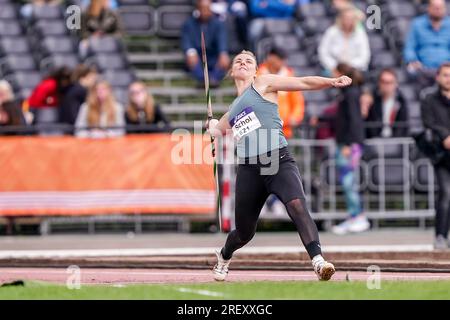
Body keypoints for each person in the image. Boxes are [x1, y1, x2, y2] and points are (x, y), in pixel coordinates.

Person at [207, 50, 353, 281]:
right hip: (249, 169)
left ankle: (318, 261)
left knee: (296, 204)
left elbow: (303, 82)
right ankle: (224, 256)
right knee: (245, 232)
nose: (243, 63)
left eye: (249, 61)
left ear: (256, 70)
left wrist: (331, 82)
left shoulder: (263, 83)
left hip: (277, 158)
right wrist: (212, 125)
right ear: (231, 71)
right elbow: (217, 129)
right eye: (238, 61)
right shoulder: (232, 111)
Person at [331, 63, 370, 235]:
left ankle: (358, 216)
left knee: (349, 181)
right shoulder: (347, 93)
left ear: (341, 74)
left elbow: (354, 120)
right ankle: (354, 215)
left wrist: (349, 144)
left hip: (350, 144)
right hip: (347, 142)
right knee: (348, 181)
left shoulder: (351, 93)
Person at [420, 62, 450, 249]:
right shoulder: (429, 99)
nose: (448, 79)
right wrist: (445, 136)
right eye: (445, 75)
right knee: (446, 193)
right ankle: (440, 236)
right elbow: (428, 122)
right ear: (438, 77)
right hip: (441, 155)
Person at [258, 47, 305, 139]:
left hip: (283, 130)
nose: (282, 62)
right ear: (270, 57)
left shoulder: (288, 76)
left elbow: (297, 101)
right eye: (280, 59)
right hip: (261, 128)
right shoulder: (258, 75)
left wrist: (295, 116)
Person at [181, 0, 230, 87]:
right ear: (198, 9)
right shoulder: (189, 24)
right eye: (203, 9)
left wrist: (223, 52)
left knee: (224, 58)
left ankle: (213, 79)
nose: (205, 11)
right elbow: (186, 41)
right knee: (191, 56)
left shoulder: (218, 23)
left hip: (213, 56)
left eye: (207, 8)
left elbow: (222, 40)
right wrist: (190, 51)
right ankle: (203, 79)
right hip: (198, 55)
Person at [404, 0, 450, 89]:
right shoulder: (417, 24)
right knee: (412, 70)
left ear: (445, 9)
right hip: (423, 68)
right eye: (435, 8)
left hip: (447, 69)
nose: (438, 10)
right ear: (428, 8)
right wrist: (413, 60)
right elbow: (410, 47)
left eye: (440, 8)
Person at [318, 7, 371, 76]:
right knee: (326, 75)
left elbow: (364, 56)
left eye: (351, 18)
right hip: (334, 68)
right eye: (346, 18)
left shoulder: (360, 34)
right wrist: (334, 67)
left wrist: (349, 67)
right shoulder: (331, 32)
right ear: (341, 19)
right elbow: (323, 52)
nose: (348, 21)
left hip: (354, 69)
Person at [365, 68, 409, 139]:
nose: (386, 86)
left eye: (390, 82)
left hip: (396, 142)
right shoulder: (372, 101)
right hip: (375, 142)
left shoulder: (401, 102)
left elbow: (402, 127)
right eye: (383, 82)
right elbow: (370, 127)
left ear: (396, 84)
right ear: (379, 83)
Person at [60, 64, 98, 129]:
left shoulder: (74, 88)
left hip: (69, 124)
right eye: (93, 78)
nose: (94, 81)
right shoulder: (81, 91)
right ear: (84, 77)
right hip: (74, 126)